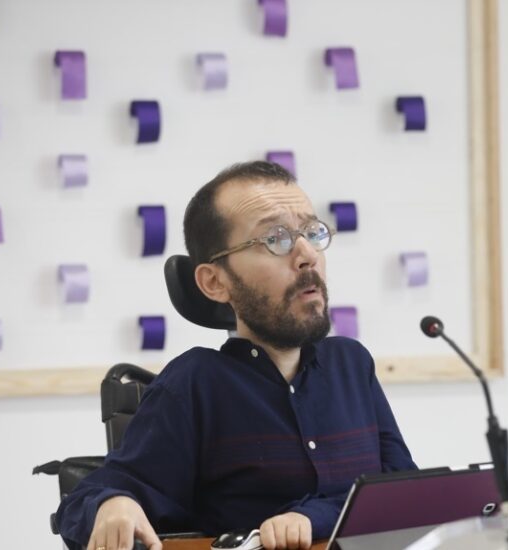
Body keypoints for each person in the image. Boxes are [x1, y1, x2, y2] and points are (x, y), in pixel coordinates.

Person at [56, 161, 416, 549]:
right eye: (275, 239)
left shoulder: (352, 364)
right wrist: (112, 504)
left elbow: (407, 495)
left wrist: (316, 516)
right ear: (214, 282)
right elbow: (84, 501)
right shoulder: (195, 383)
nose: (307, 255)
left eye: (312, 232)